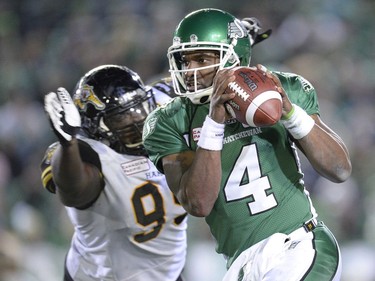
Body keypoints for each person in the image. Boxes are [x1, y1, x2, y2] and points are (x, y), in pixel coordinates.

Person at [142, 8, 352, 281]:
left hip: (298, 246)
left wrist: (289, 113)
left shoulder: (280, 89)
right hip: (240, 265)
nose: (191, 70)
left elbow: (339, 169)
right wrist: (214, 123)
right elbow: (198, 203)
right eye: (185, 60)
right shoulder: (168, 121)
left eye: (202, 58)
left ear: (232, 57)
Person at [40, 64, 187, 281]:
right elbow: (73, 191)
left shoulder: (161, 104)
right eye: (120, 117)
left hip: (168, 274)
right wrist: (68, 145)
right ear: (95, 126)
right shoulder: (87, 154)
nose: (136, 120)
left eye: (138, 108)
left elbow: (191, 79)